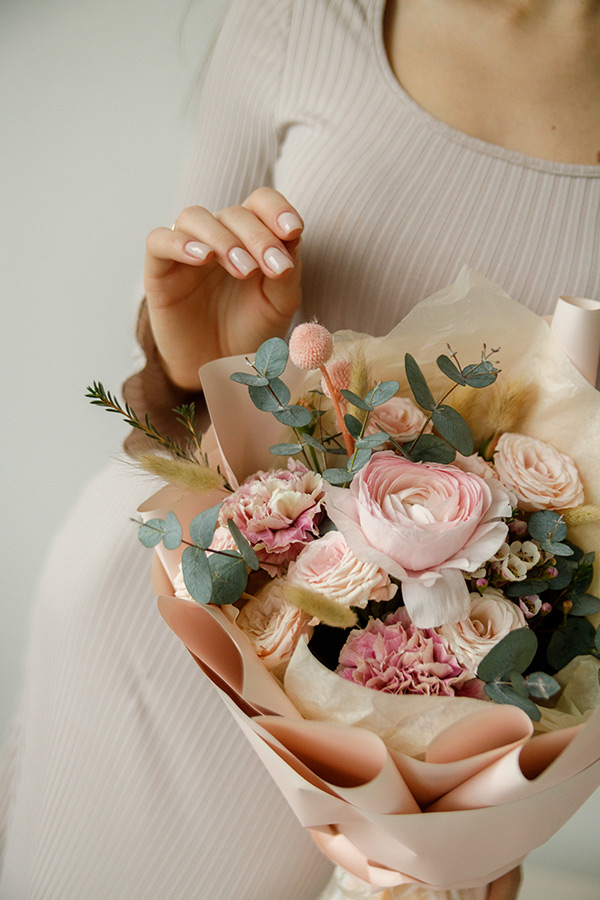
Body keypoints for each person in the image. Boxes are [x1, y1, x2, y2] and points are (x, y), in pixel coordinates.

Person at [1, 0, 599, 897]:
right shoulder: (302, 19)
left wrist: (495, 807)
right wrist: (208, 361)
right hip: (169, 622)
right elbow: (171, 403)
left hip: (437, 741)